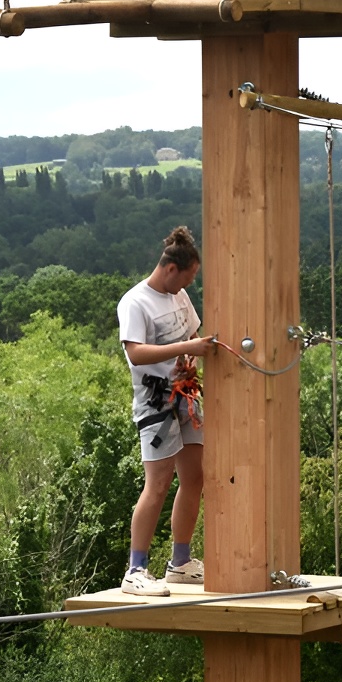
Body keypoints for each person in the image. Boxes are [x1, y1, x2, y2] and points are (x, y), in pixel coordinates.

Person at [117, 226, 216, 596]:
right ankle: (135, 570)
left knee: (195, 477)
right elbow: (136, 353)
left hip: (185, 395)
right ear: (171, 268)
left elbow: (192, 334)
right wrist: (187, 348)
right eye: (188, 276)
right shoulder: (135, 302)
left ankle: (180, 563)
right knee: (158, 483)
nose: (190, 283)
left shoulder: (179, 295)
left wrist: (191, 356)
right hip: (155, 401)